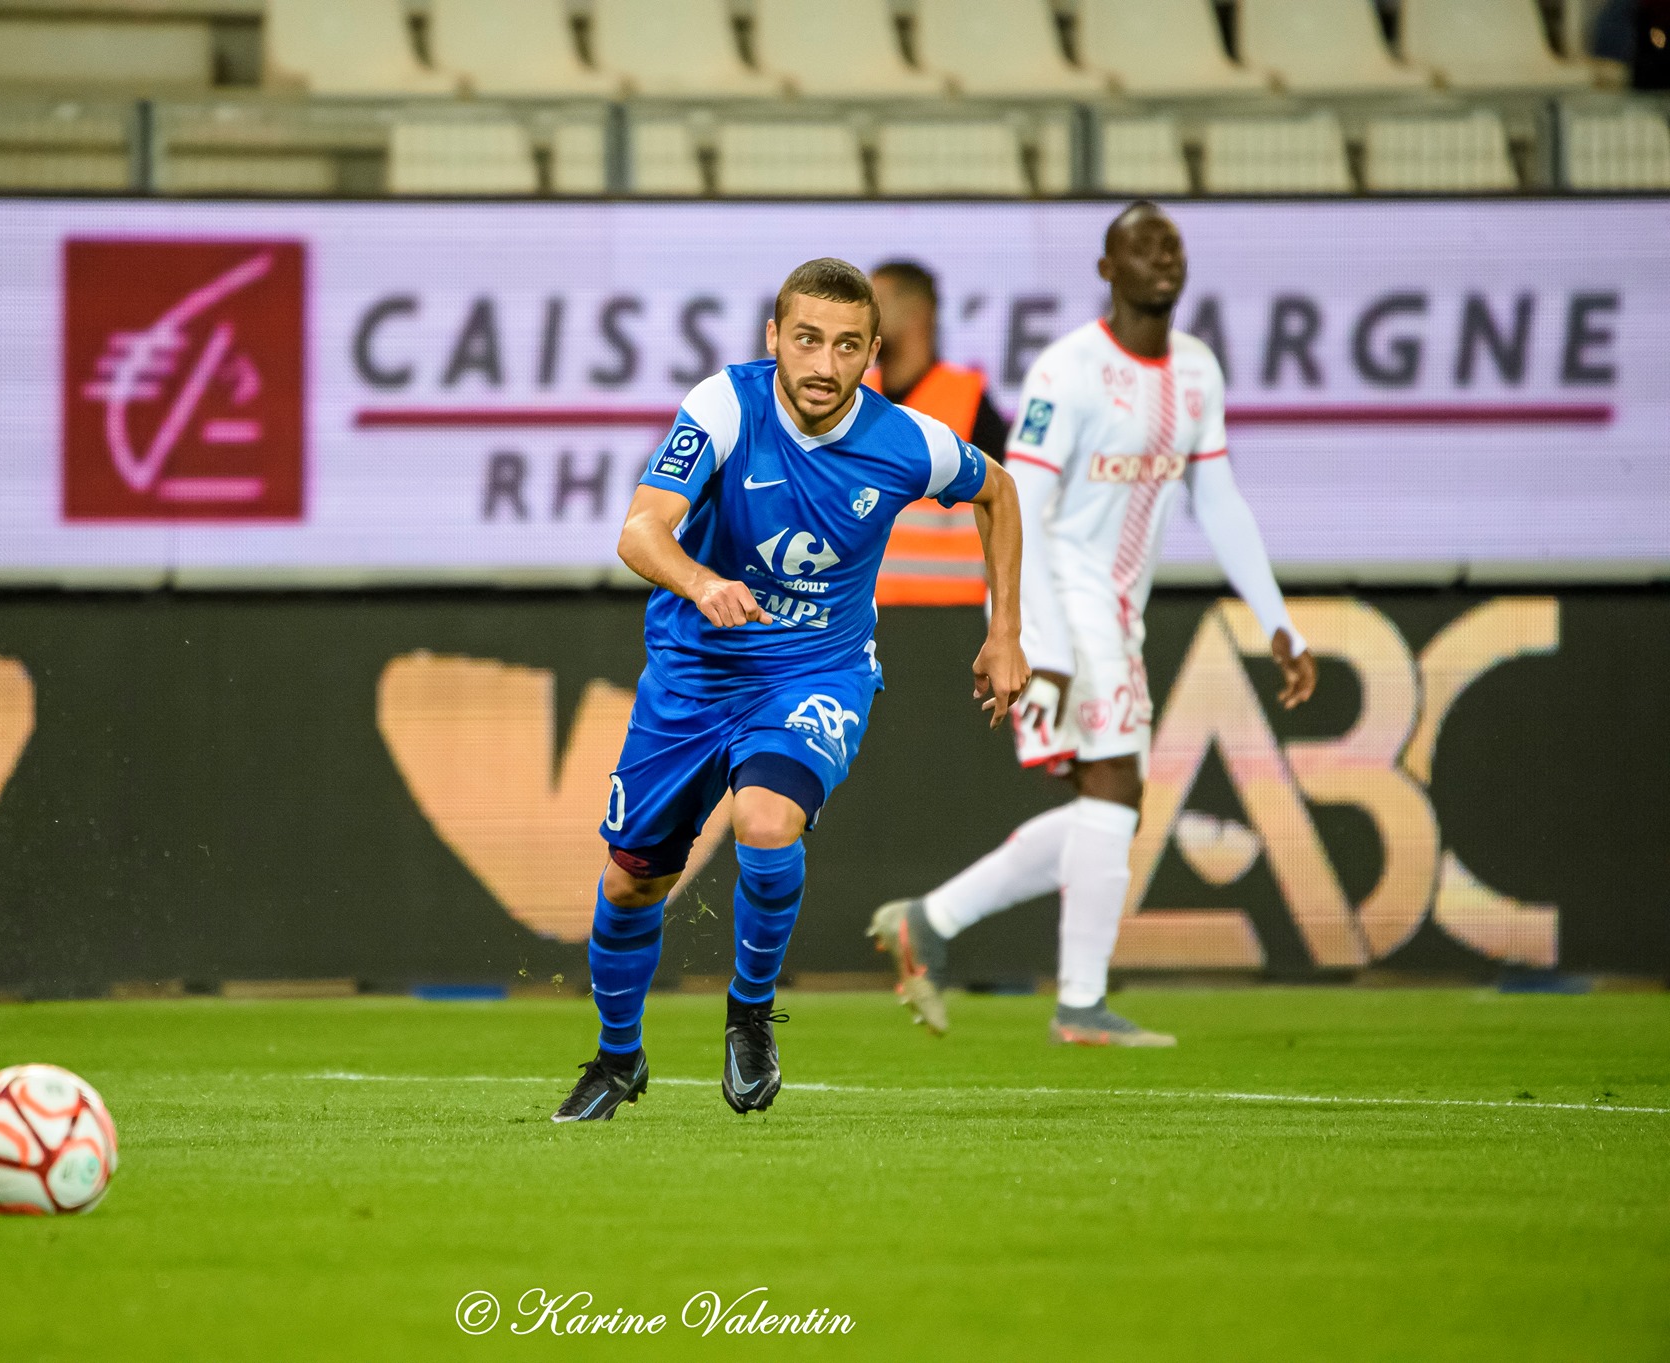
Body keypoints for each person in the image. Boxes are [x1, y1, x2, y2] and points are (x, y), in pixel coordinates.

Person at [551, 258, 1030, 1122]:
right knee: (630, 884)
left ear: (873, 353)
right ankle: (618, 1058)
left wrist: (1004, 631)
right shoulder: (725, 407)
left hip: (816, 671)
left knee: (767, 822)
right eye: (807, 339)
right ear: (774, 337)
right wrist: (701, 582)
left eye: (847, 346)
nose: (823, 364)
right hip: (695, 674)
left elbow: (998, 490)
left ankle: (749, 1015)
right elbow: (640, 530)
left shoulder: (906, 442)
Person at [867, 202, 1317, 1047]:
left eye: (1171, 243)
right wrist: (1028, 634)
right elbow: (1019, 501)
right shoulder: (1068, 370)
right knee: (1115, 787)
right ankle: (1079, 1003)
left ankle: (931, 920)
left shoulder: (1197, 370)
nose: (1162, 256)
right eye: (1141, 246)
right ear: (1108, 269)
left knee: (1111, 805)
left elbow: (1218, 498)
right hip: (1059, 597)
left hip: (1117, 608)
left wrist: (1277, 619)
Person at [867, 261, 1012, 607]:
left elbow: (1007, 506)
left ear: (918, 313)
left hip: (952, 615)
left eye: (876, 303)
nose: (863, 316)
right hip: (865, 614)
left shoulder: (970, 401)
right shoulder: (855, 398)